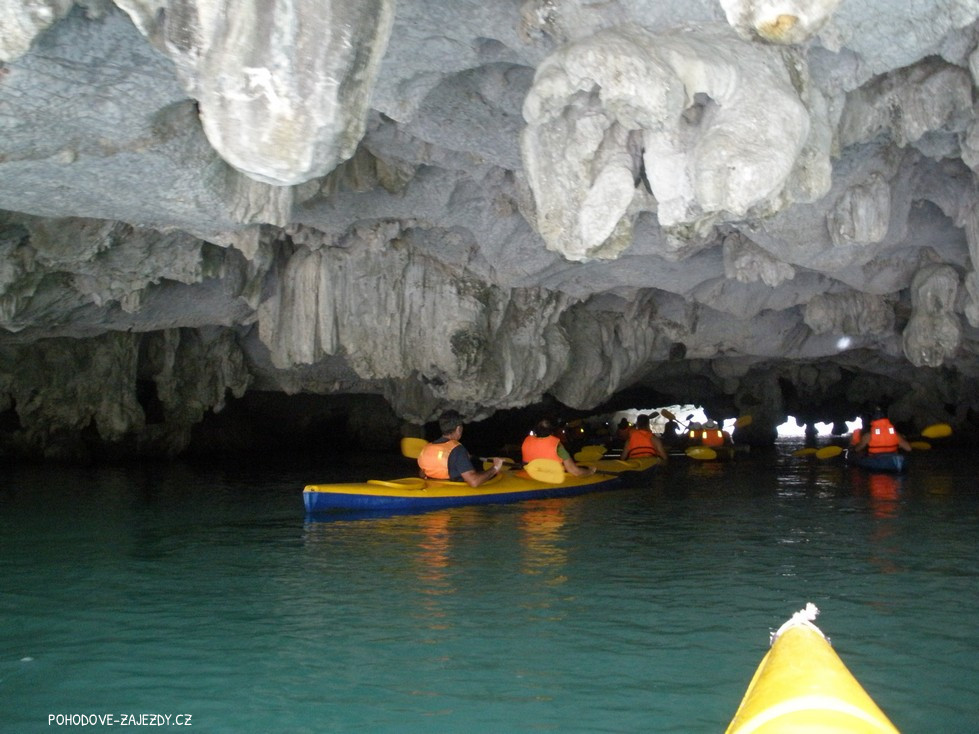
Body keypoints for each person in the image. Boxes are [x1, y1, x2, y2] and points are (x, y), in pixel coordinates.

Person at [417, 411, 505, 487]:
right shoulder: (457, 449)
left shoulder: (428, 447)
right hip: (454, 491)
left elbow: (422, 473)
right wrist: (495, 468)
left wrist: (462, 459)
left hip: (435, 487)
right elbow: (474, 482)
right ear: (459, 429)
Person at [522, 418, 596, 476]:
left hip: (531, 475)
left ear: (535, 432)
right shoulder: (557, 446)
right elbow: (575, 471)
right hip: (550, 478)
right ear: (552, 432)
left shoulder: (527, 441)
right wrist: (590, 471)